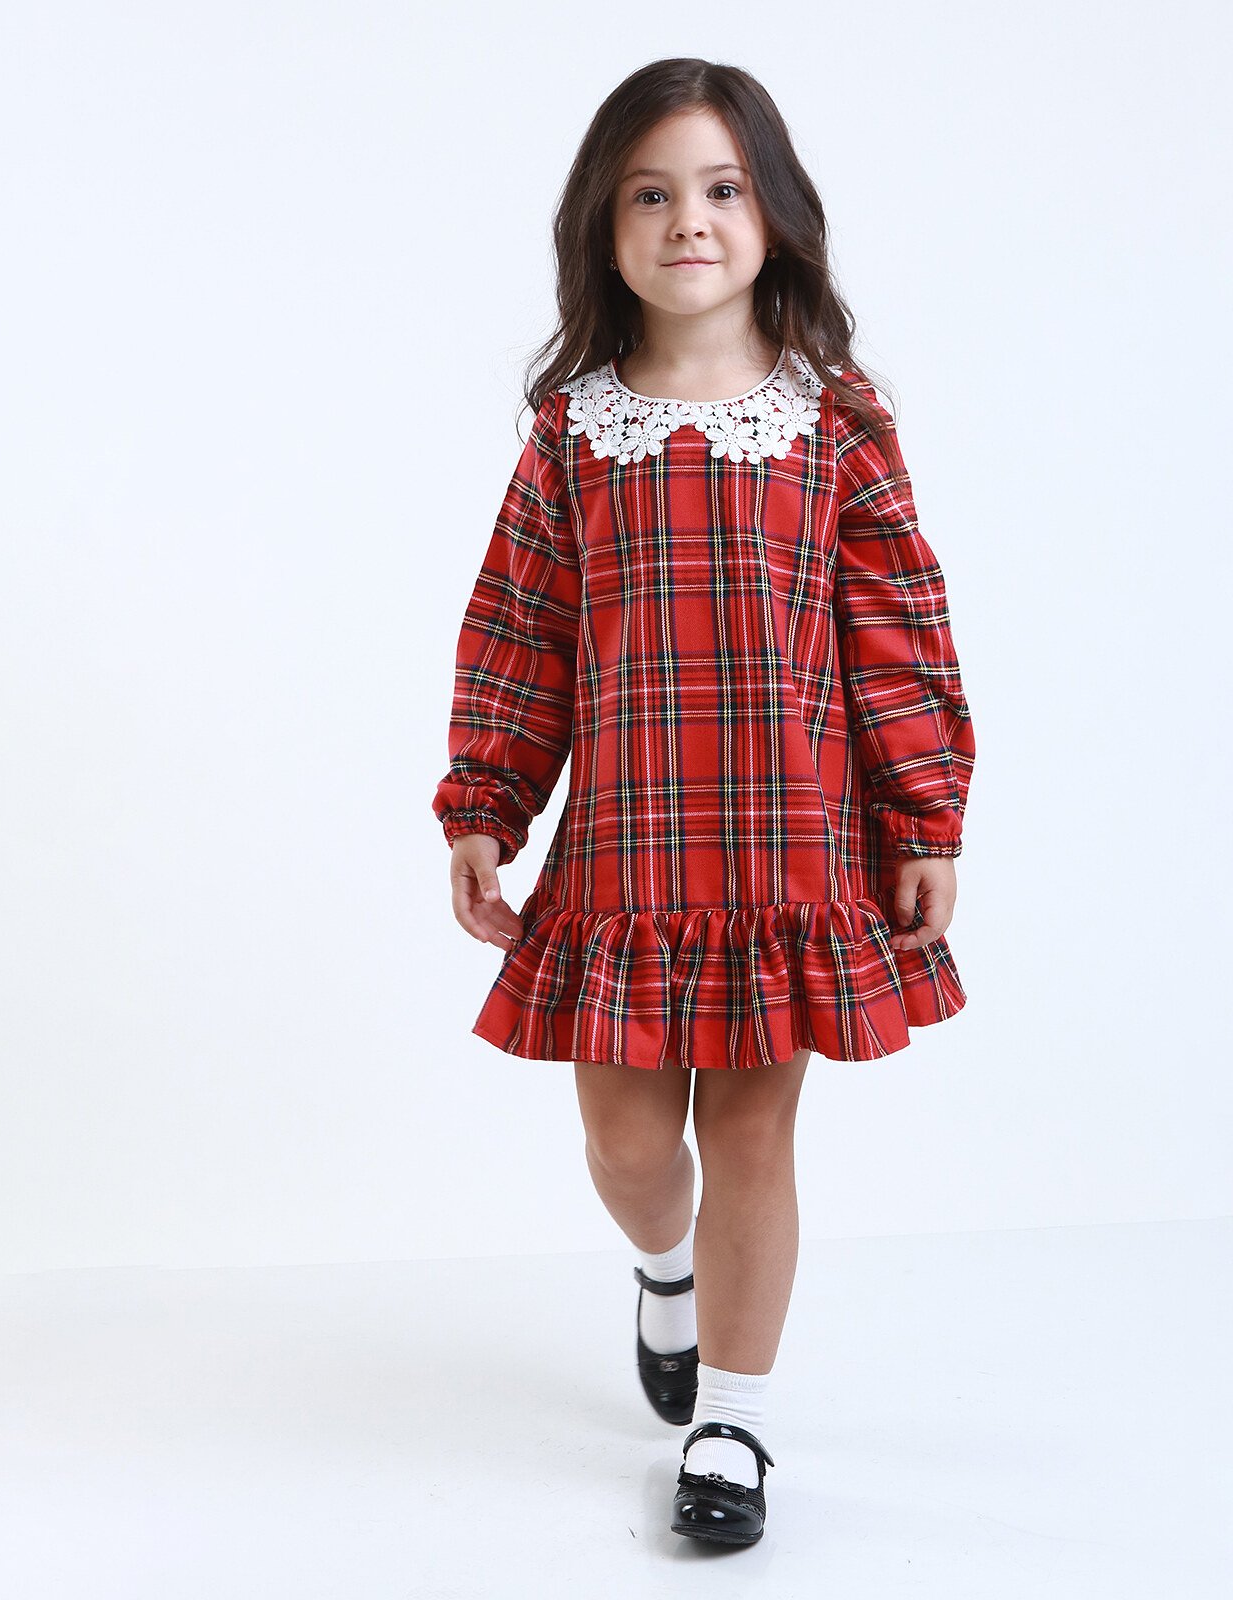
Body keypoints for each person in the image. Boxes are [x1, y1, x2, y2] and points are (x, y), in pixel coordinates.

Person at [432, 57, 975, 1547]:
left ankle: (731, 1421)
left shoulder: (833, 419)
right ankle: (665, 1274)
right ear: (603, 228)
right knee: (625, 1144)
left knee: (751, 1133)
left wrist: (925, 819)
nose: (689, 220)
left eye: (723, 189)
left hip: (788, 851)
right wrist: (486, 806)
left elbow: (897, 626)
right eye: (651, 194)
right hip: (626, 858)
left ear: (775, 212)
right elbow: (520, 632)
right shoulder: (574, 433)